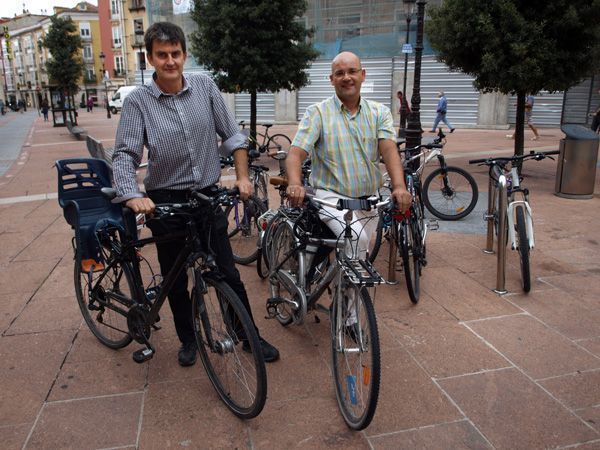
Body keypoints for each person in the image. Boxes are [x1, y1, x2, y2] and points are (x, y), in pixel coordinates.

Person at [112, 22, 279, 366]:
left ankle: (247, 335)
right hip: (165, 201)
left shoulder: (205, 87)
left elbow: (233, 136)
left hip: (207, 195)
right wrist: (132, 195)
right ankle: (188, 339)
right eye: (162, 55)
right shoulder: (139, 102)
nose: (170, 61)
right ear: (150, 59)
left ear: (184, 55)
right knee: (175, 276)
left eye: (175, 53)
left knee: (228, 273)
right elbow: (125, 154)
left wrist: (243, 178)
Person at [286, 51, 412, 264]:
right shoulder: (317, 113)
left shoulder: (379, 112)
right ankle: (340, 292)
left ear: (363, 75)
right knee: (356, 240)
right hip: (331, 200)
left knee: (356, 259)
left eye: (352, 71)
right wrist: (295, 183)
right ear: (331, 79)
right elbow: (295, 153)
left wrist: (399, 186)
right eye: (340, 73)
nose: (346, 77)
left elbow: (389, 151)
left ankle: (343, 295)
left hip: (368, 201)